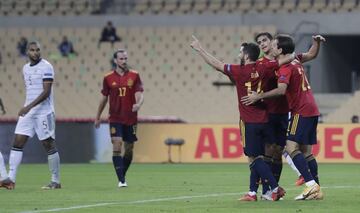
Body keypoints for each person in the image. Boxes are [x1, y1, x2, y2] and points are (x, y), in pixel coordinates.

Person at [190, 35, 295, 201]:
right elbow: (282, 61)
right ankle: (253, 193)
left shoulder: (240, 71)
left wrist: (200, 49)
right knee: (264, 156)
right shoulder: (265, 67)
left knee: (254, 158)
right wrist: (295, 55)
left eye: (241, 52)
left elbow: (216, 64)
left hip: (250, 121)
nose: (239, 54)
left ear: (246, 56)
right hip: (265, 119)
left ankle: (274, 187)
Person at [242, 34, 325, 200]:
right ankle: (313, 188)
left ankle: (310, 185)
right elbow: (311, 54)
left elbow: (281, 90)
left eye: (270, 42)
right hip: (308, 108)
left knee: (289, 148)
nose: (267, 45)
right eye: (261, 43)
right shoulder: (291, 60)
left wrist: (258, 97)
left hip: (298, 110)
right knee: (304, 152)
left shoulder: (286, 65)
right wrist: (316, 42)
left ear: (279, 49)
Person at [0, 41, 61, 190]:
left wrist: (28, 107)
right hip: (29, 112)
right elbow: (31, 90)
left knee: (48, 145)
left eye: (38, 50)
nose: (36, 52)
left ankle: (55, 181)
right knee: (17, 143)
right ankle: (10, 180)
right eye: (32, 50)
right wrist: (27, 108)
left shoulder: (46, 66)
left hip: (44, 112)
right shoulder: (25, 68)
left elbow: (46, 92)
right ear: (27, 52)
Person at [95, 49, 144, 188]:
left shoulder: (135, 75)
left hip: (131, 118)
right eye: (121, 59)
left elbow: (140, 93)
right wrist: (98, 117)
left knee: (129, 149)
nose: (124, 61)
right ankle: (122, 180)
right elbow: (104, 98)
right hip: (115, 118)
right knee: (117, 144)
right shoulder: (108, 77)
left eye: (125, 58)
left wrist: (138, 104)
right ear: (115, 61)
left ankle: (122, 175)